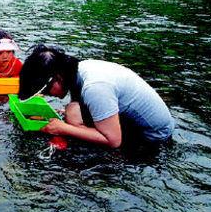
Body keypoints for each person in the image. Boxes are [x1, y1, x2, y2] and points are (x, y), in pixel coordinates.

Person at [18, 44, 175, 147]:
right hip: (129, 121)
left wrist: (64, 129)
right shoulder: (76, 72)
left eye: (45, 90)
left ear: (58, 79)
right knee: (71, 111)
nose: (46, 94)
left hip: (153, 137)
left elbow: (114, 141)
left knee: (76, 135)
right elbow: (77, 105)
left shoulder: (95, 88)